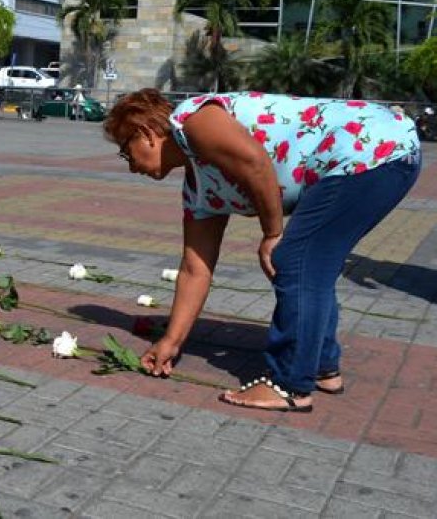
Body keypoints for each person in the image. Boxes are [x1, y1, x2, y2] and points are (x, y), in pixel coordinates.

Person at [105, 89, 420, 413]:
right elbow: (195, 268)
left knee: (294, 259)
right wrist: (171, 342)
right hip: (384, 158)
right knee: (313, 265)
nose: (131, 168)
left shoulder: (193, 120)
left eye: (126, 153)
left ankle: (289, 385)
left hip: (374, 149)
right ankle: (324, 368)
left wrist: (272, 234)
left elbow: (255, 163)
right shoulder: (198, 190)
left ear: (145, 133)